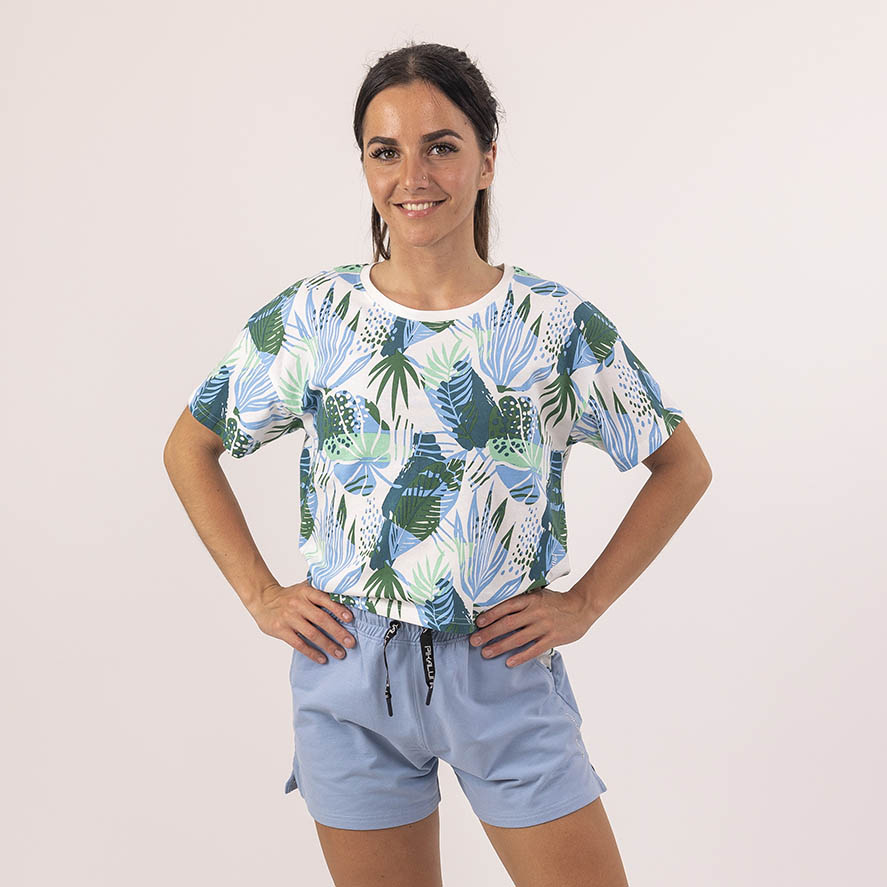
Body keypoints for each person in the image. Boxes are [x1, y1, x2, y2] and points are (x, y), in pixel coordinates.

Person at [164, 41, 712, 887]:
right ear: (363, 165)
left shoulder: (552, 324)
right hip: (348, 674)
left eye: (441, 146)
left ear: (486, 159)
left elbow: (680, 465)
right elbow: (190, 445)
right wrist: (261, 594)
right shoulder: (314, 316)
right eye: (385, 151)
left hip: (502, 668)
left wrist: (585, 603)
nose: (412, 176)